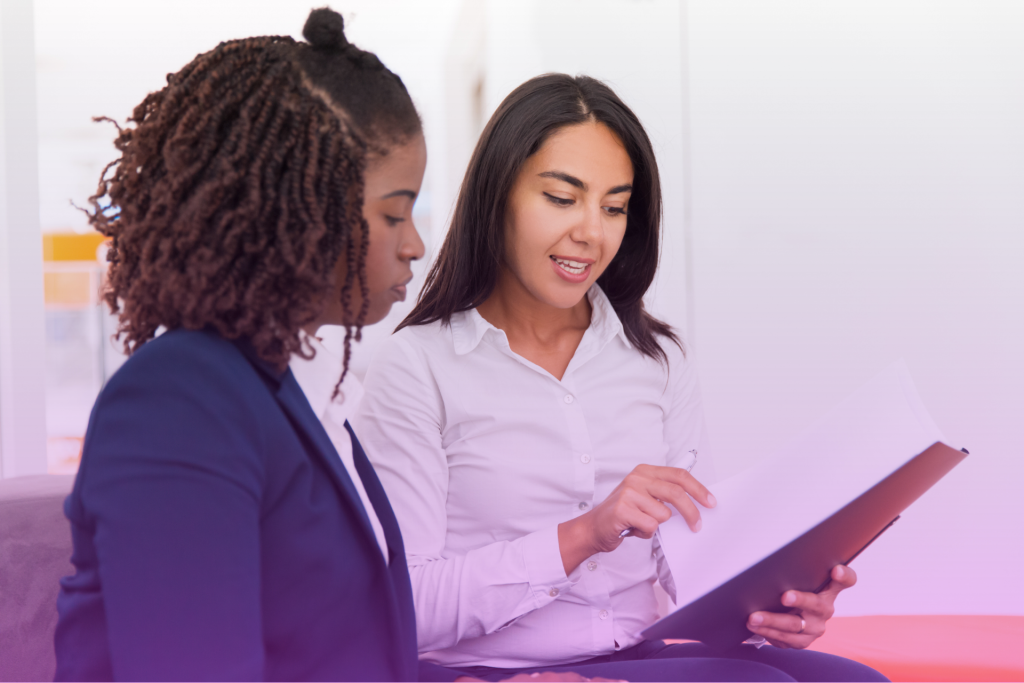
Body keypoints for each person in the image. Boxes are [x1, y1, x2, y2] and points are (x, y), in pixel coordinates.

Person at [353, 74, 889, 682]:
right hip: (491, 671)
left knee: (850, 680)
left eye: (614, 207)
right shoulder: (419, 366)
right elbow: (404, 605)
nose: (592, 232)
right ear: (495, 196)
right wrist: (584, 534)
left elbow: (690, 567)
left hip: (634, 660)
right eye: (562, 198)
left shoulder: (654, 357)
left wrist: (776, 605)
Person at [53, 8, 443, 681]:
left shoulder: (276, 389)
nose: (415, 245)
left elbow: (339, 651)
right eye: (392, 213)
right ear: (303, 205)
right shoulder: (180, 398)